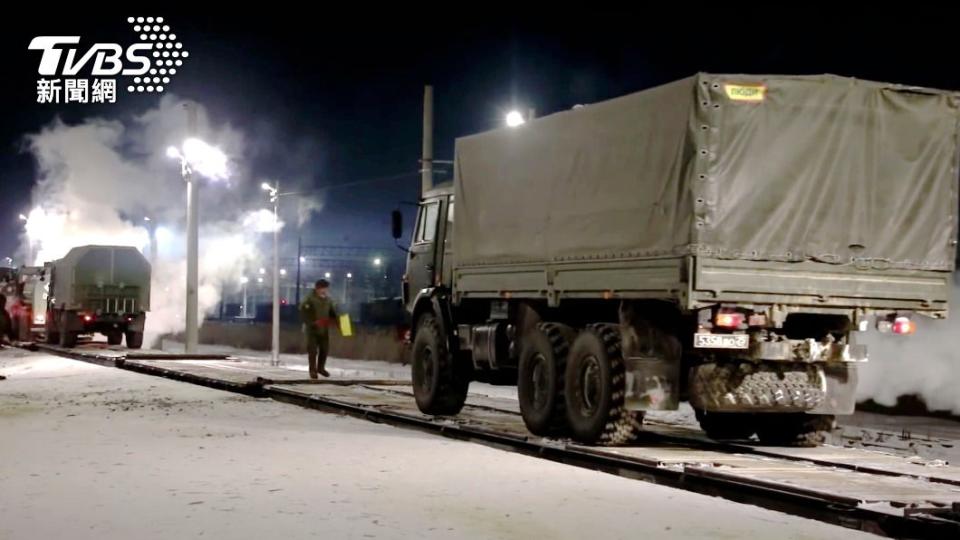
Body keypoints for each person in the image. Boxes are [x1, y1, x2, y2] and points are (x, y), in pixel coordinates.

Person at [299, 279, 338, 379]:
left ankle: (321, 368)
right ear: (317, 288)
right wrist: (311, 322)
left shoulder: (328, 300)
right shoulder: (310, 299)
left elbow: (332, 312)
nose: (324, 290)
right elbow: (303, 311)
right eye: (322, 288)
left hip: (324, 329)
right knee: (312, 351)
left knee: (324, 349)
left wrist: (338, 321)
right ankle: (313, 370)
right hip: (312, 329)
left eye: (326, 288)